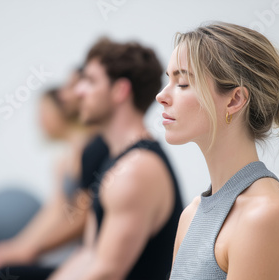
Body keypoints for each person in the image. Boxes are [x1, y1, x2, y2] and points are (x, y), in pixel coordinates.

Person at [156, 22, 279, 279]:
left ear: (235, 100)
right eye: (169, 80)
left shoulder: (265, 214)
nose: (161, 96)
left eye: (183, 82)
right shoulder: (191, 214)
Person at [48, 37, 184, 280]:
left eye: (90, 81)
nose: (78, 91)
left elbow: (107, 272)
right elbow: (89, 253)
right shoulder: (114, 160)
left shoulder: (136, 169)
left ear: (120, 90)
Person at [0, 69, 109, 280]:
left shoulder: (92, 149)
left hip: (86, 257)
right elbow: (55, 209)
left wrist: (30, 250)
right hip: (70, 255)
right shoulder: (63, 161)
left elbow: (81, 215)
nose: (39, 122)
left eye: (43, 113)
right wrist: (17, 247)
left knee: (5, 274)